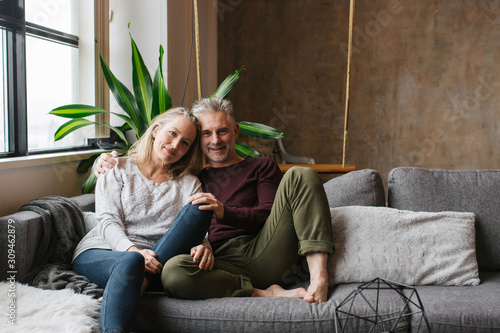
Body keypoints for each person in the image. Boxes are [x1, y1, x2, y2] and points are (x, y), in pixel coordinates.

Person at [96, 98, 333, 304]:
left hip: (264, 248)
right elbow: (181, 226)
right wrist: (104, 161)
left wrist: (223, 211)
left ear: (236, 132)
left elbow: (267, 215)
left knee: (301, 173)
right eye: (206, 134)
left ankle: (319, 277)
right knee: (173, 273)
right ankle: (263, 293)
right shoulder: (190, 179)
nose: (215, 140)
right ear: (197, 140)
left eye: (222, 131)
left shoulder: (260, 166)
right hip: (218, 263)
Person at [73, 108, 213, 333]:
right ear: (156, 131)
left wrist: (203, 244)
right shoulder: (115, 167)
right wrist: (132, 250)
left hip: (157, 258)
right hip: (103, 251)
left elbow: (190, 227)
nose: (176, 145)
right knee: (132, 262)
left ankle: (138, 284)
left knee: (201, 207)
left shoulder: (189, 183)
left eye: (185, 142)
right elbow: (108, 220)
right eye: (172, 133)